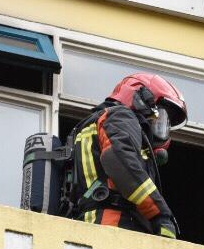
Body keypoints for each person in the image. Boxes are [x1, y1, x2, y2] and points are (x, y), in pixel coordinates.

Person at [65, 72, 188, 237]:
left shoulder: (90, 127)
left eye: (165, 124)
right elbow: (120, 162)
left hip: (92, 226)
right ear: (139, 98)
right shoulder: (120, 116)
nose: (160, 128)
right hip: (114, 226)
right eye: (159, 117)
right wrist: (161, 214)